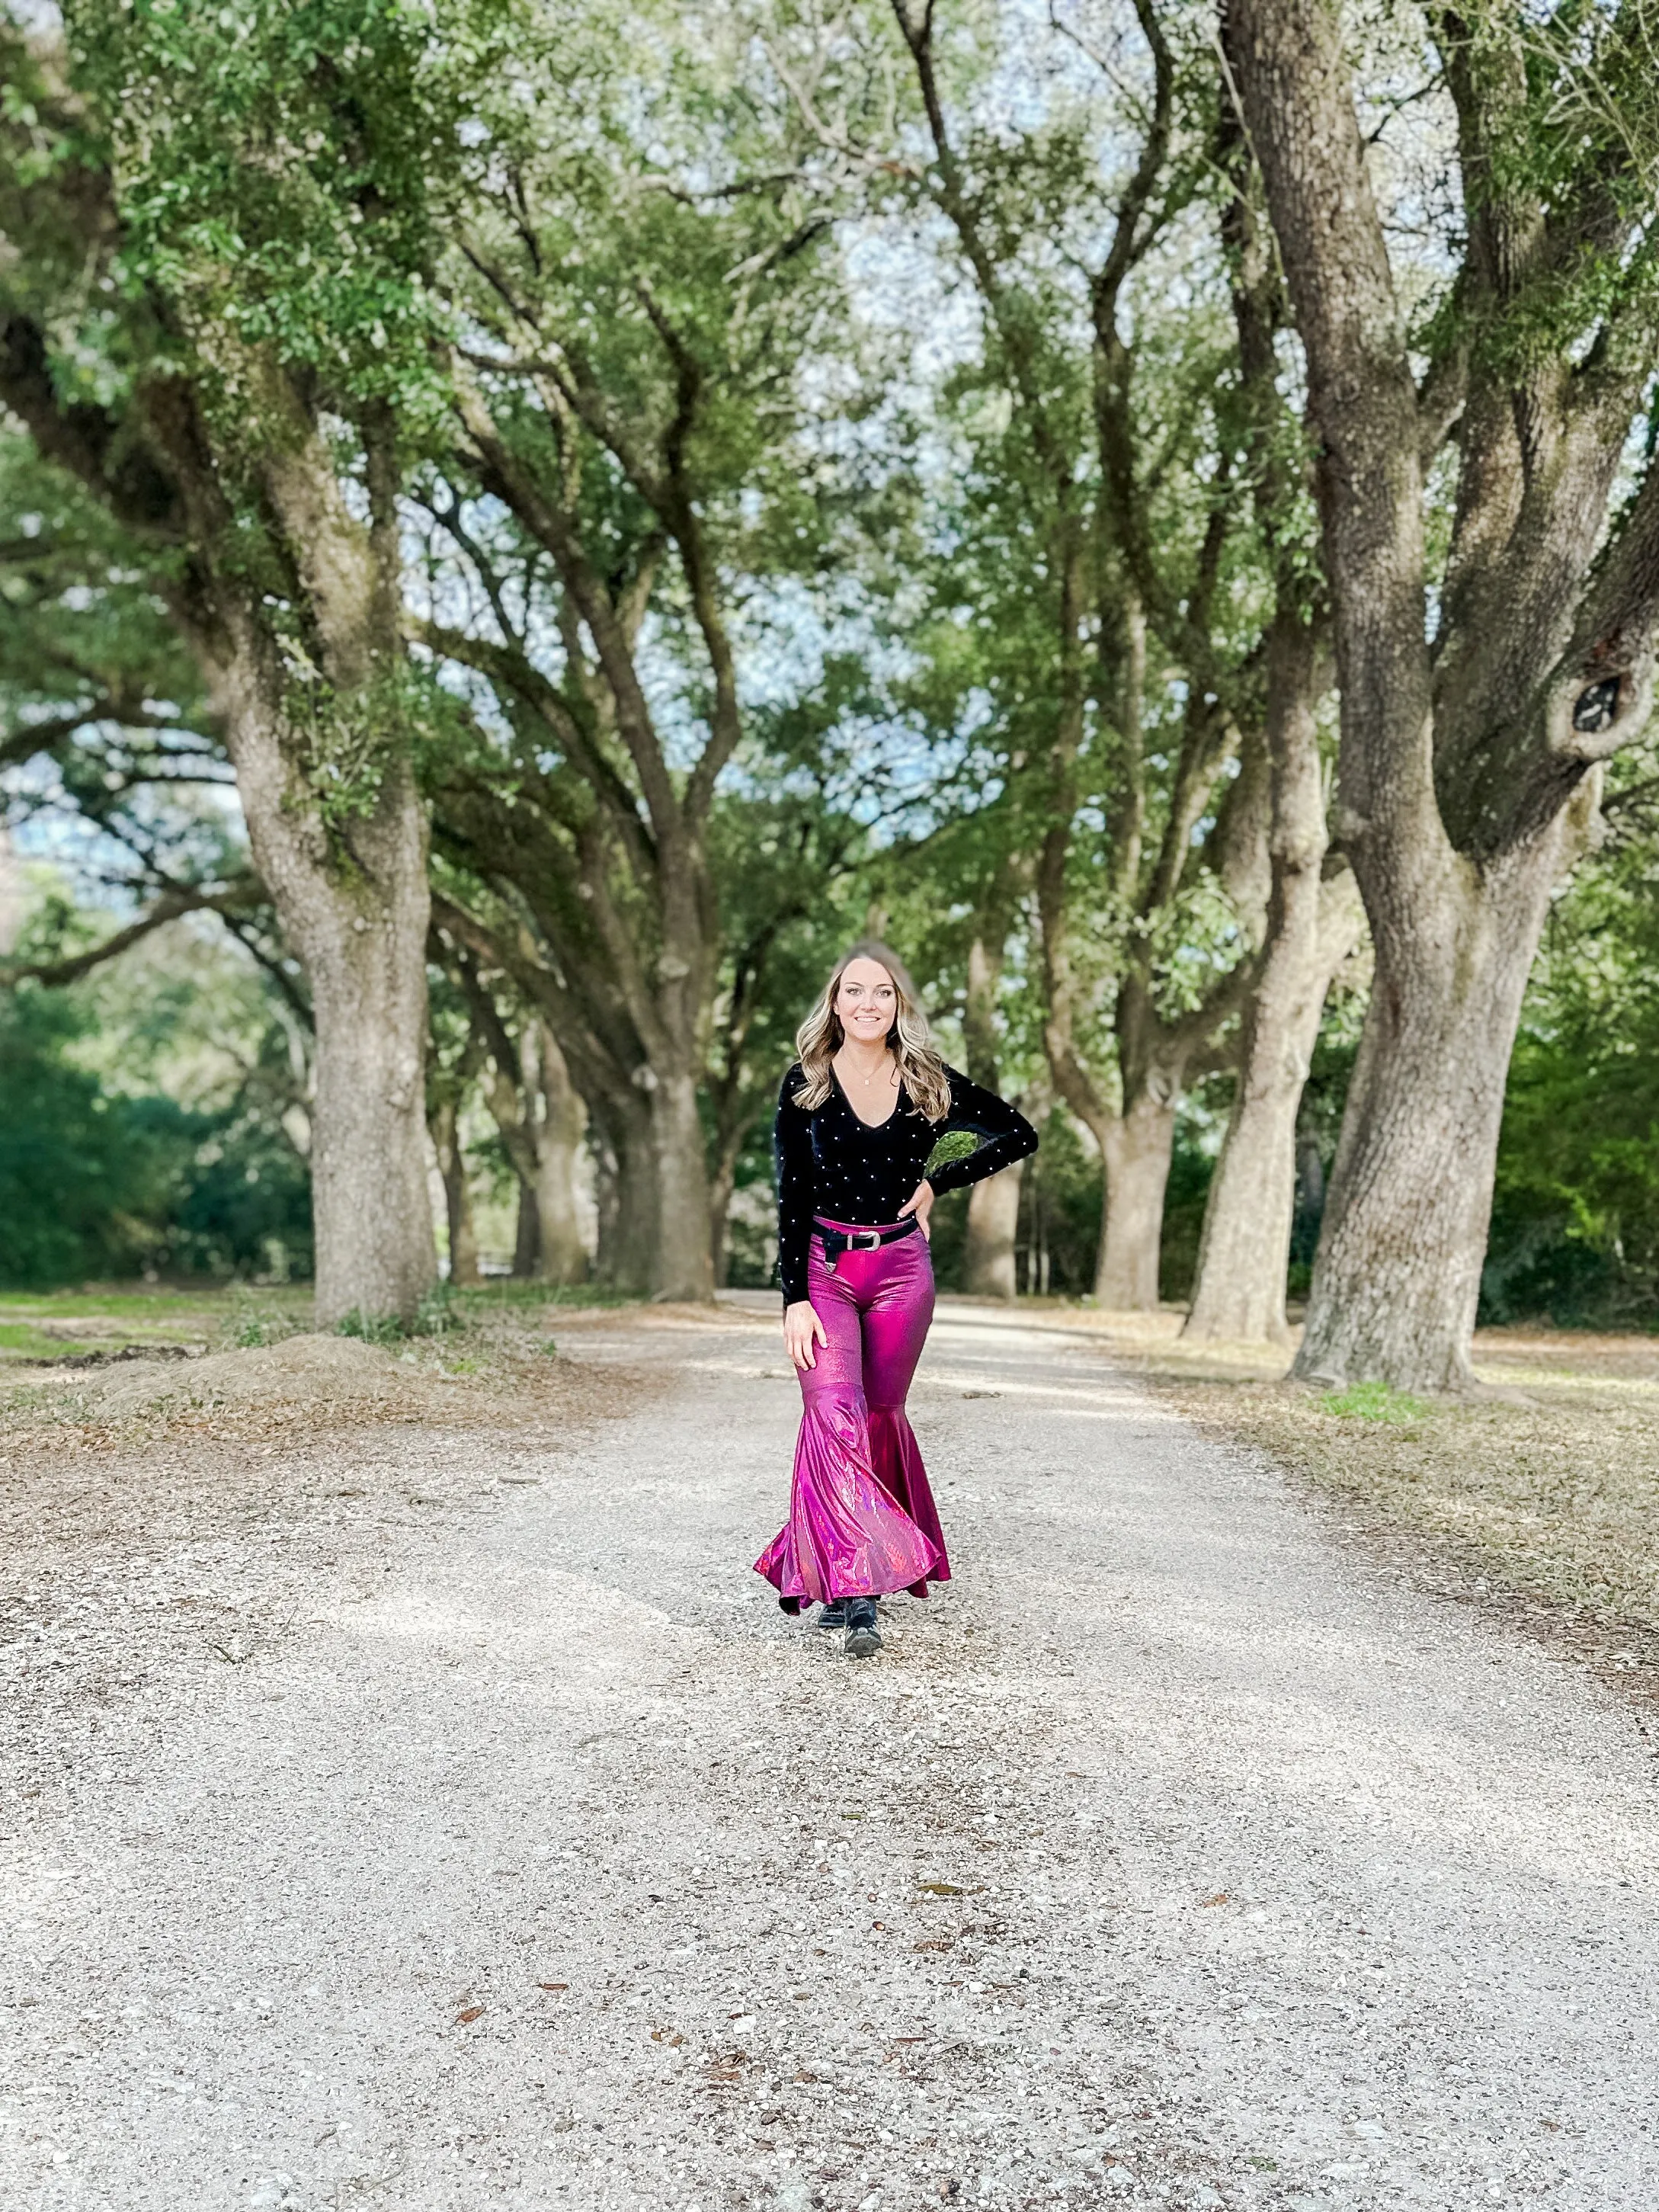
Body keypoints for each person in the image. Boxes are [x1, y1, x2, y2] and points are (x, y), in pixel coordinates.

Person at [754, 941, 1038, 1657]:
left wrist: (940, 1181)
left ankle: (852, 1564)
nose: (867, 1004)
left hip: (902, 1272)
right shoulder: (805, 1083)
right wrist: (793, 1299)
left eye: (882, 992)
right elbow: (790, 1196)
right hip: (824, 1267)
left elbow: (1015, 1133)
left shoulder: (926, 1080)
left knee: (880, 1414)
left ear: (897, 1005)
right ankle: (854, 1593)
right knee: (831, 1412)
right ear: (835, 1003)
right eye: (854, 991)